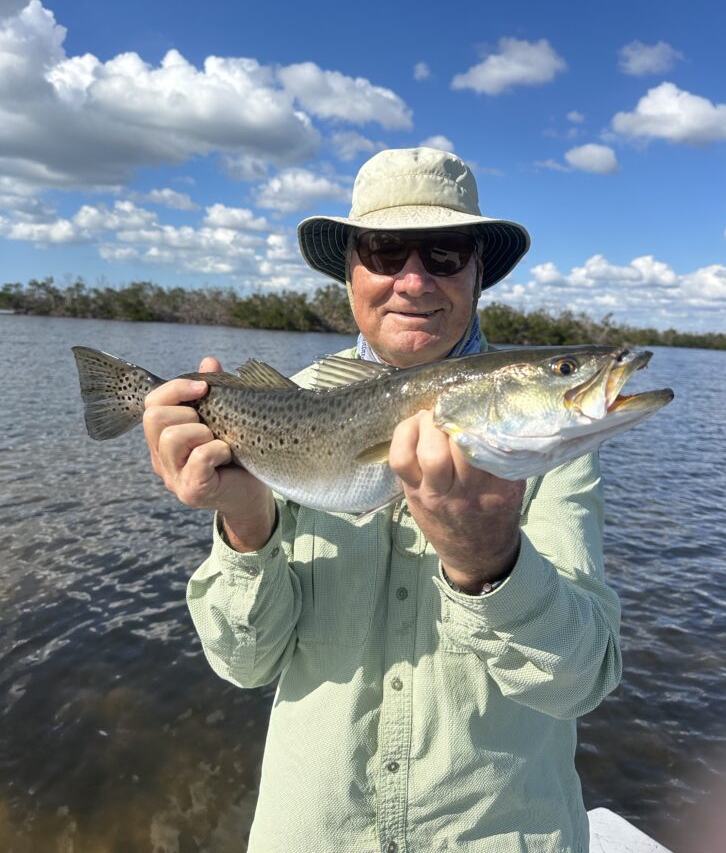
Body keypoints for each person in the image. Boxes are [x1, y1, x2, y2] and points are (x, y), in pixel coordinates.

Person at [143, 147, 622, 853]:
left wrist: (490, 561)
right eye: (384, 251)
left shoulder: (551, 448)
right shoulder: (287, 407)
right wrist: (245, 519)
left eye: (446, 252)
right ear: (351, 272)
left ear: (477, 271)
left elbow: (579, 681)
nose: (414, 279)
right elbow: (244, 664)